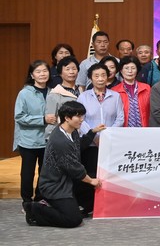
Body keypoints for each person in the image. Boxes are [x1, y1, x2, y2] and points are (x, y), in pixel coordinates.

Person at [22, 101, 104, 228]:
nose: (82, 120)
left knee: (96, 184)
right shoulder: (60, 140)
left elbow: (79, 145)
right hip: (55, 184)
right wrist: (91, 181)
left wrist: (92, 131)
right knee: (73, 219)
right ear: (67, 118)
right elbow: (74, 168)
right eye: (78, 116)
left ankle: (71, 205)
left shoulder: (72, 131)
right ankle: (35, 209)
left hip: (68, 179)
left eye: (82, 116)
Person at [76, 63, 123, 215]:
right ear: (91, 78)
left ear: (108, 77)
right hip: (89, 144)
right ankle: (88, 206)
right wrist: (94, 136)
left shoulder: (115, 96)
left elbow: (120, 118)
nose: (100, 79)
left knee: (109, 175)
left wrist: (107, 136)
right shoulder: (83, 97)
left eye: (103, 75)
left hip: (110, 144)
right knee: (90, 173)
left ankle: (109, 205)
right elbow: (80, 119)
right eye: (96, 76)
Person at [14, 60, 52, 207]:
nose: (42, 74)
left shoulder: (53, 92)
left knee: (45, 173)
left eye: (45, 71)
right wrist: (42, 119)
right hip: (29, 140)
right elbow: (19, 116)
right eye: (38, 71)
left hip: (48, 140)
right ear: (32, 75)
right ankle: (27, 201)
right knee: (27, 174)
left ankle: (40, 198)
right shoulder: (24, 93)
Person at [44, 56, 81, 141]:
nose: (71, 72)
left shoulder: (82, 91)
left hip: (79, 137)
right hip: (62, 138)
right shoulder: (55, 94)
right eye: (67, 69)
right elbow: (51, 120)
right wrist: (50, 139)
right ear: (60, 73)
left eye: (74, 69)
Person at [112, 56, 151, 127]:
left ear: (137, 70)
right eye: (126, 68)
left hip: (144, 129)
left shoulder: (146, 88)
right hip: (123, 130)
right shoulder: (114, 91)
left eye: (133, 68)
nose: (130, 71)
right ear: (121, 70)